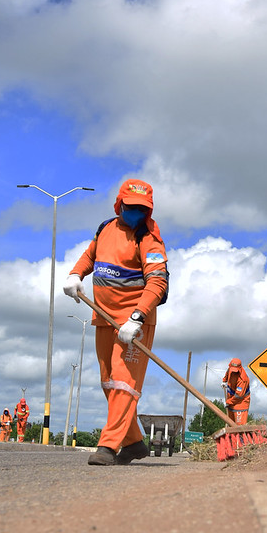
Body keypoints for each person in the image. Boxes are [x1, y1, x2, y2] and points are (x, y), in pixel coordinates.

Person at [63, 179, 168, 466]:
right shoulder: (106, 228)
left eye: (141, 209)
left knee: (124, 383)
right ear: (119, 204)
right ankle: (134, 443)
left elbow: (158, 282)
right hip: (104, 317)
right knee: (109, 382)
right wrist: (76, 274)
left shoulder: (149, 238)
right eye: (130, 206)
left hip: (134, 323)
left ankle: (108, 446)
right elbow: (90, 255)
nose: (135, 212)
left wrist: (137, 317)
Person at [222, 358, 251, 425]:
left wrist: (228, 402)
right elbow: (227, 373)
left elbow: (239, 396)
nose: (233, 372)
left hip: (240, 403)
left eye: (235, 370)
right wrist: (224, 381)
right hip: (231, 401)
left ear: (239, 368)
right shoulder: (230, 369)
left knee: (239, 427)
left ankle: (241, 436)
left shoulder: (243, 380)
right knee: (231, 425)